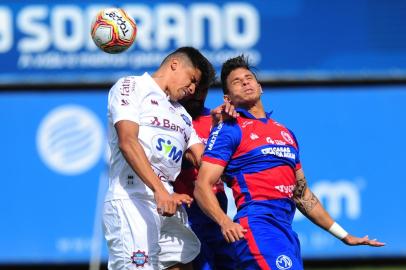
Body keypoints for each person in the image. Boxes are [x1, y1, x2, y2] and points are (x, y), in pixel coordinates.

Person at [193, 55, 385, 270]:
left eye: (249, 77)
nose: (245, 82)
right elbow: (202, 186)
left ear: (260, 86)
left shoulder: (285, 133)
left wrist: (345, 236)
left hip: (285, 231)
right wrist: (224, 221)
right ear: (228, 98)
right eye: (237, 81)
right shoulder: (229, 129)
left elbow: (303, 196)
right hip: (258, 227)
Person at [103, 47, 215, 270]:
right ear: (174, 64)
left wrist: (226, 127)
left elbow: (204, 158)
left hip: (167, 203)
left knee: (181, 263)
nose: (192, 89)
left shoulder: (181, 114)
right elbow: (127, 141)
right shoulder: (132, 86)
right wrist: (160, 191)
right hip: (133, 198)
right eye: (192, 80)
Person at [173, 87, 237, 270]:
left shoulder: (217, 118)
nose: (197, 93)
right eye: (193, 84)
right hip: (186, 208)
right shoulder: (170, 117)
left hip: (217, 206)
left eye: (202, 86)